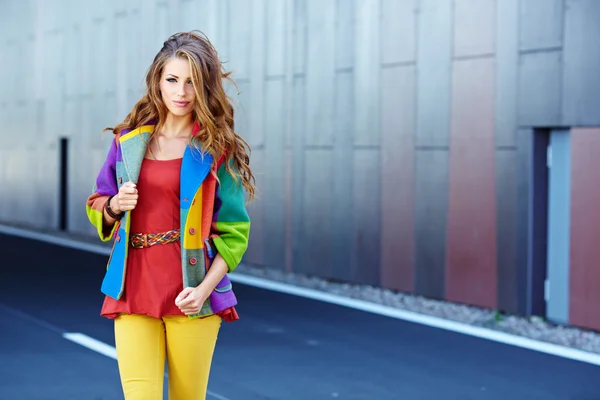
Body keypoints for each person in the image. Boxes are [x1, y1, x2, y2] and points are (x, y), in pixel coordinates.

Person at [85, 31, 255, 400]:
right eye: (173, 80)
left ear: (205, 88)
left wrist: (204, 291)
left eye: (192, 82)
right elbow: (98, 200)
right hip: (133, 286)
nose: (181, 92)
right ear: (158, 81)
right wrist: (114, 206)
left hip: (191, 288)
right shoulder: (128, 143)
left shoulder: (216, 151)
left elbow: (235, 232)